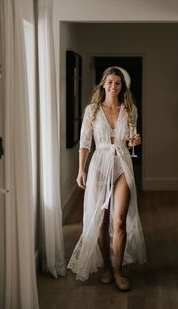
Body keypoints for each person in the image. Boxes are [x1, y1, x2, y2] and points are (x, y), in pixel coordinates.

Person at [67, 67, 146, 291]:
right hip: (99, 165)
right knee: (101, 221)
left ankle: (119, 270)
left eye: (118, 83)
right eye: (110, 82)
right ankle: (106, 268)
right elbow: (84, 143)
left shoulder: (130, 109)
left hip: (122, 164)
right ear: (103, 84)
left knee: (119, 220)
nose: (113, 86)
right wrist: (81, 170)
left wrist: (134, 142)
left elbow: (130, 140)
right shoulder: (92, 110)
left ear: (122, 87)